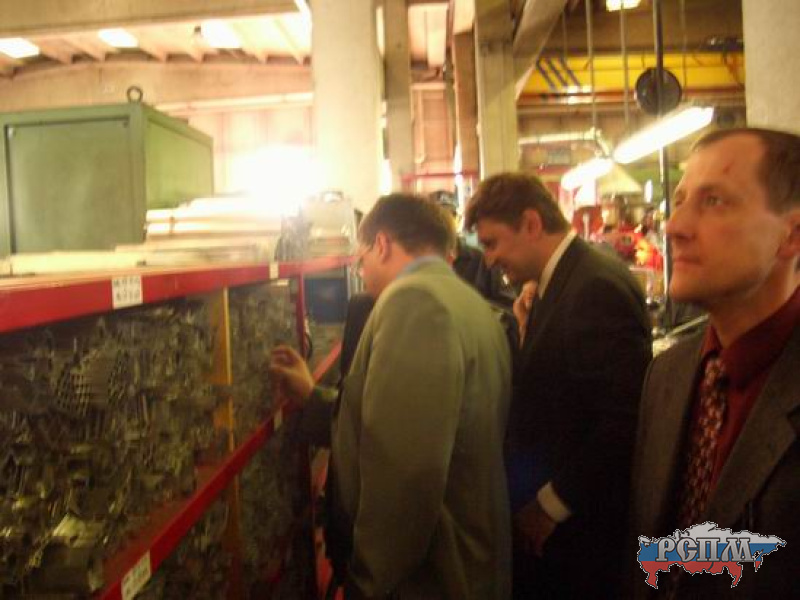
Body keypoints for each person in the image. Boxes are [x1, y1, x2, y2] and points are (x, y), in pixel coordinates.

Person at [270, 193, 512, 599]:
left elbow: (405, 473)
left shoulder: (414, 301)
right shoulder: (468, 302)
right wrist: (313, 397)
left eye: (361, 259)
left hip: (430, 578)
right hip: (469, 563)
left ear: (382, 244)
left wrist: (369, 580)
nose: (361, 273)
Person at [629, 127, 800, 598]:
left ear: (791, 236)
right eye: (680, 201)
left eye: (714, 201)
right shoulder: (668, 375)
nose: (674, 226)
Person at [465, 172, 652, 598]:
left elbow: (623, 420)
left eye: (492, 243)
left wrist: (549, 506)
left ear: (531, 224)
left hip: (580, 539)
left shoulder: (593, 287)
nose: (488, 261)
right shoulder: (562, 281)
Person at [430, 190, 516, 309]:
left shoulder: (482, 260)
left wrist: (473, 307)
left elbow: (508, 304)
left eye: (450, 215)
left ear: (458, 219)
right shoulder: (422, 264)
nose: (444, 223)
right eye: (437, 219)